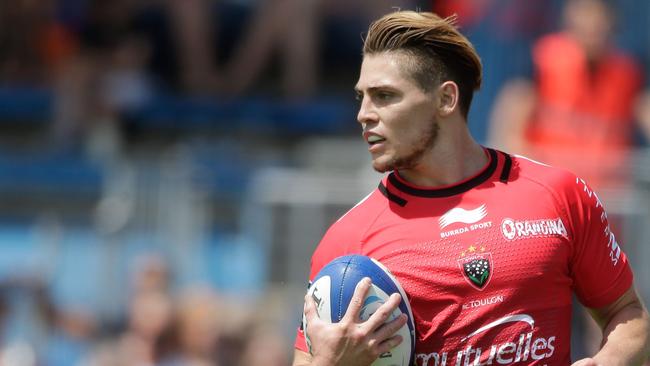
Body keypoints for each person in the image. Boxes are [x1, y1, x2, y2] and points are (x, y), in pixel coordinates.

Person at [293, 10, 650, 366]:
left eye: (384, 96)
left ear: (446, 99)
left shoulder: (560, 194)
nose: (365, 114)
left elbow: (629, 314)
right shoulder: (347, 241)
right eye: (362, 97)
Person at [488, 0, 650, 191]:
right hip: (550, 192)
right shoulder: (540, 59)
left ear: (612, 21)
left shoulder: (629, 71)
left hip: (606, 197)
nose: (592, 24)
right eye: (585, 14)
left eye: (598, 16)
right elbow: (509, 129)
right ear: (569, 17)